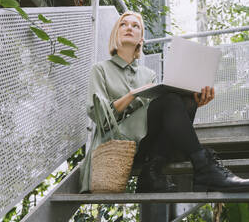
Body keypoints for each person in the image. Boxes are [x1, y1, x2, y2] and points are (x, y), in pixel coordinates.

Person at [79, 11, 249, 193]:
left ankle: (151, 173)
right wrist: (132, 94)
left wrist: (193, 104)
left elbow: (158, 119)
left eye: (135, 26)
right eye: (123, 24)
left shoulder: (147, 74)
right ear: (115, 33)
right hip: (115, 146)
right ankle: (204, 168)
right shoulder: (100, 69)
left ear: (140, 39)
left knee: (184, 100)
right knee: (170, 101)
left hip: (144, 146)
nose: (129, 27)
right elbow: (100, 118)